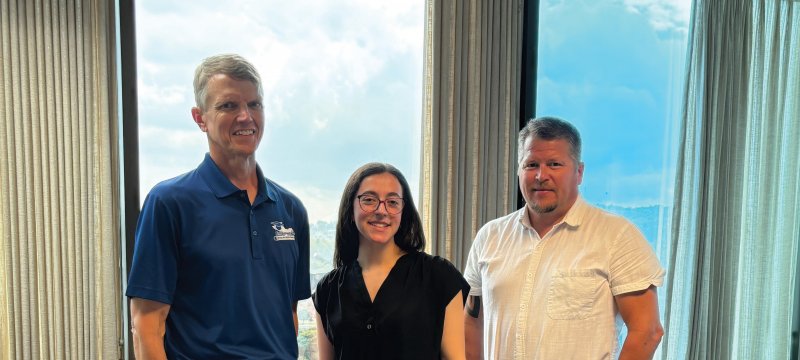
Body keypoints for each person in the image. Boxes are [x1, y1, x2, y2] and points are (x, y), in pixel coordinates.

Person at [126, 54, 310, 359]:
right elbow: (146, 324)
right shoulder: (169, 203)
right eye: (228, 105)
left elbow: (287, 315)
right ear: (200, 118)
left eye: (254, 104)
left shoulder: (290, 210)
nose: (245, 117)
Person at [464, 117, 665, 359]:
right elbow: (471, 323)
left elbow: (648, 331)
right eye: (531, 165)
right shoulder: (490, 236)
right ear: (519, 170)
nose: (541, 175)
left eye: (555, 164)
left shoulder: (617, 236)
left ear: (579, 172)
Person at [313, 163, 469, 360]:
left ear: (404, 212)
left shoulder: (439, 276)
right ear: (350, 210)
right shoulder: (327, 290)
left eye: (393, 202)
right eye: (369, 200)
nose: (381, 210)